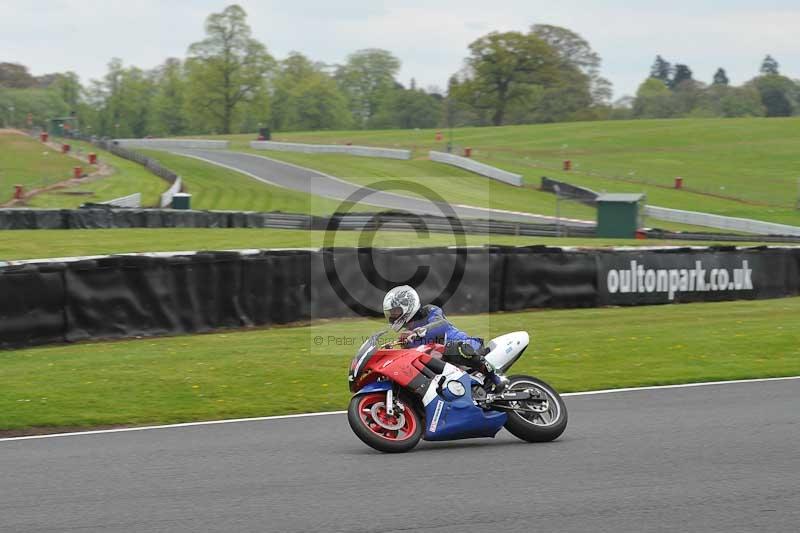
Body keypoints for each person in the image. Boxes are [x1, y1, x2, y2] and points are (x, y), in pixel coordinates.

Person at [382, 285, 508, 393]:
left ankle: (497, 377)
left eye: (395, 311)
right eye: (391, 313)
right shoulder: (408, 337)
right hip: (445, 364)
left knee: (452, 348)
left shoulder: (429, 310)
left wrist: (418, 332)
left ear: (408, 306)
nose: (393, 316)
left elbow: (442, 324)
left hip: (467, 346)